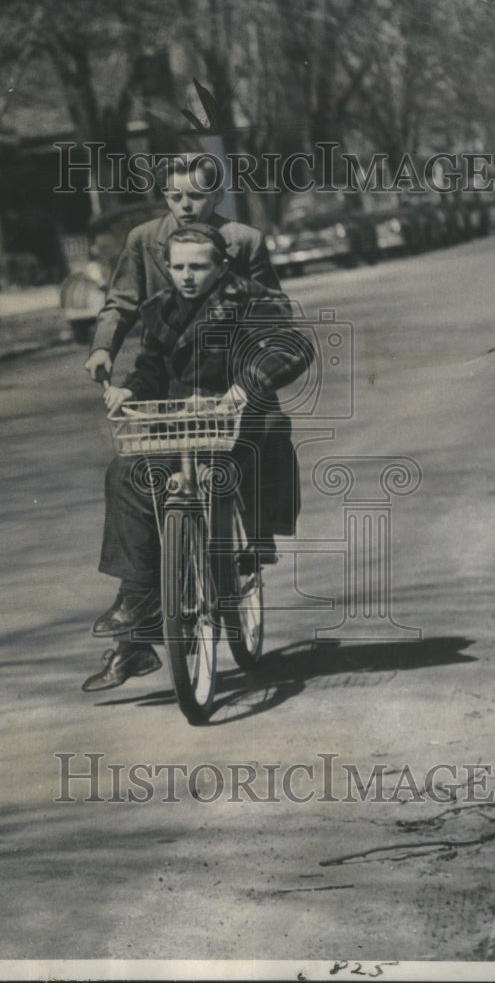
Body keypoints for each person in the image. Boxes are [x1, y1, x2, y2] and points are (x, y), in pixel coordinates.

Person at [82, 224, 314, 692]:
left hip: (237, 420)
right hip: (182, 421)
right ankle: (137, 598)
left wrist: (245, 385)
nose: (187, 276)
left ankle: (245, 544)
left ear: (220, 266)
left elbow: (293, 347)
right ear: (168, 268)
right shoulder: (161, 308)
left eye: (198, 266)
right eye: (179, 266)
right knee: (127, 472)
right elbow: (151, 367)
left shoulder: (250, 299)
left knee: (243, 465)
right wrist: (130, 388)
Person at [84, 153, 281, 384]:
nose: (185, 206)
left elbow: (272, 309)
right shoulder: (143, 239)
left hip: (233, 371)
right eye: (175, 197)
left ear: (217, 195)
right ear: (166, 197)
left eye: (196, 196)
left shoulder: (246, 240)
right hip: (165, 371)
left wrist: (261, 369)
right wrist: (103, 348)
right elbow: (121, 302)